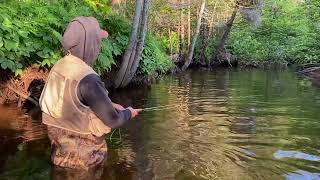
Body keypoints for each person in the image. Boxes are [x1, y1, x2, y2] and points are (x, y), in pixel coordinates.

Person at [39, 16, 141, 171]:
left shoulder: (59, 66)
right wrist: (128, 113)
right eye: (97, 40)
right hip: (84, 164)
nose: (99, 45)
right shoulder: (89, 79)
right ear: (89, 43)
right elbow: (113, 121)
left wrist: (111, 104)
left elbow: (70, 100)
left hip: (59, 156)